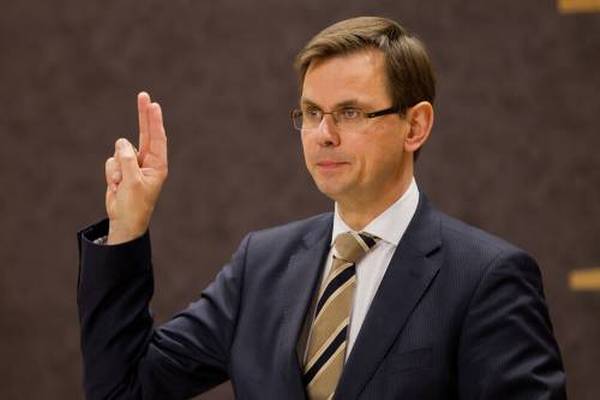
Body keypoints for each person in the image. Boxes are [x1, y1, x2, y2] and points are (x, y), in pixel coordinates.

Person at [77, 16, 567, 400]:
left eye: (350, 112)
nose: (323, 134)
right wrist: (127, 229)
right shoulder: (261, 265)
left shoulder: (486, 277)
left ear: (415, 126)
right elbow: (124, 389)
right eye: (312, 113)